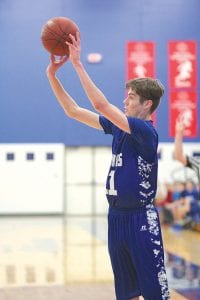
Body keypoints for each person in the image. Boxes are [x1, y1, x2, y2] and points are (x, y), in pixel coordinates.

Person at [46, 32, 170, 300]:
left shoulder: (145, 132)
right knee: (126, 294)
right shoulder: (118, 128)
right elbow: (74, 111)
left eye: (131, 97)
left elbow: (100, 104)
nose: (125, 101)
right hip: (116, 218)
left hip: (141, 220)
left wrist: (78, 64)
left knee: (154, 294)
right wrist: (52, 76)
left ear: (147, 104)